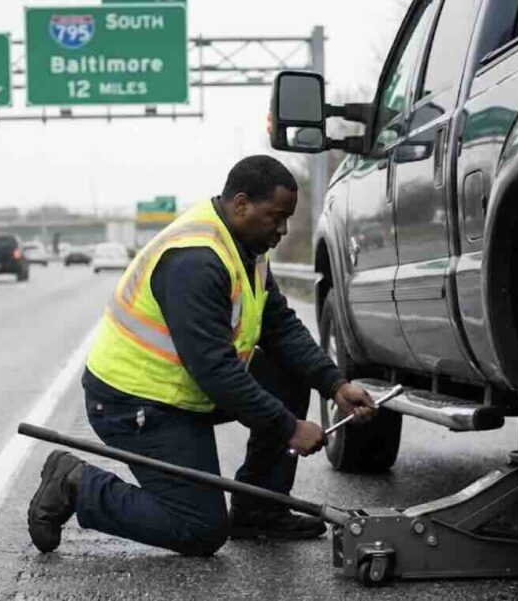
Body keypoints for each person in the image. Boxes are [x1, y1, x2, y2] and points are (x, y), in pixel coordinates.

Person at [26, 155, 377, 556]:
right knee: (199, 528)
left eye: (287, 220)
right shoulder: (195, 260)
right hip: (135, 403)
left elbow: (279, 326)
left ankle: (259, 511)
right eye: (276, 217)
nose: (283, 230)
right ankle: (76, 483)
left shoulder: (245, 247)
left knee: (289, 371)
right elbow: (216, 371)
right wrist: (288, 427)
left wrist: (335, 384)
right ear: (241, 204)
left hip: (182, 391)